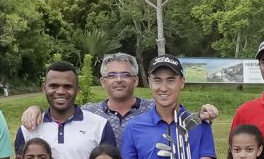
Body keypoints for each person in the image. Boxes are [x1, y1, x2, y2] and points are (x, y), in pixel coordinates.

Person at [39, 52, 219, 146]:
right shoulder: (88, 112)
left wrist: (203, 114)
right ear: (103, 81)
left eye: (125, 75)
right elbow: (59, 116)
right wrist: (34, 111)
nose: (119, 80)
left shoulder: (154, 108)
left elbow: (181, 123)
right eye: (112, 75)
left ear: (136, 81)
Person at [13, 61, 115, 159]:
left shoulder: (99, 126)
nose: (60, 91)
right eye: (54, 86)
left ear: (77, 90)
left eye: (67, 86)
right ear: (44, 88)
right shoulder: (28, 128)